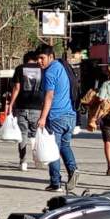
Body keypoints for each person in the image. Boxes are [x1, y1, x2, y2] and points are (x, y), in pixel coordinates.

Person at [37, 44, 79, 192]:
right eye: (38, 59)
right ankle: (73, 170)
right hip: (70, 115)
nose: (39, 61)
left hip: (56, 116)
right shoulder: (63, 67)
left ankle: (55, 182)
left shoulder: (49, 73)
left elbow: (49, 96)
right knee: (65, 146)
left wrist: (42, 118)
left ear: (50, 56)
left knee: (53, 149)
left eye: (42, 58)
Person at [8, 51, 43, 171]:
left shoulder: (20, 68)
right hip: (38, 107)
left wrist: (11, 104)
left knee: (22, 134)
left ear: (25, 59)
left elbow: (17, 87)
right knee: (35, 134)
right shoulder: (42, 69)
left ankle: (23, 161)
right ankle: (37, 159)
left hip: (22, 106)